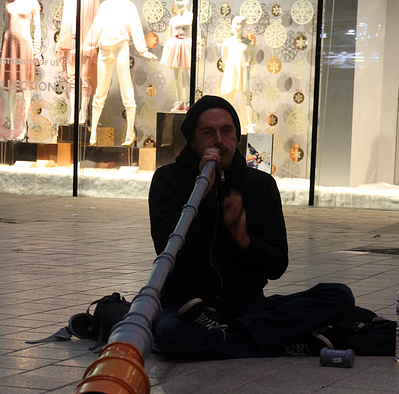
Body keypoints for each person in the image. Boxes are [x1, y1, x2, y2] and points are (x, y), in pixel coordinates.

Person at [148, 95, 356, 360]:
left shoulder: (260, 185)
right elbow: (167, 249)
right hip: (188, 308)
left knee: (339, 296)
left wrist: (245, 240)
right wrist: (201, 194)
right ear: (193, 140)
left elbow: (277, 265)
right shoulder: (169, 180)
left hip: (248, 306)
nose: (219, 140)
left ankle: (233, 334)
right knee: (171, 336)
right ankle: (281, 340)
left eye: (227, 131)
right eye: (207, 132)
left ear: (237, 136)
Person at [83, 0, 157, 146]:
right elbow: (96, 27)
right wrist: (86, 44)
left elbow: (136, 28)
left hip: (121, 46)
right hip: (104, 48)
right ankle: (92, 133)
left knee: (126, 88)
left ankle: (129, 133)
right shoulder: (104, 6)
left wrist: (142, 49)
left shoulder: (128, 5)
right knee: (100, 90)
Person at [57, 0, 100, 125]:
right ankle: (74, 113)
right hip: (70, 38)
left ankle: (83, 113)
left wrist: (92, 42)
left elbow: (97, 19)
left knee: (86, 77)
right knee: (73, 78)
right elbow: (65, 15)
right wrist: (62, 39)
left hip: (86, 40)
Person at [0, 0, 42, 139]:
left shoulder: (33, 4)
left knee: (24, 87)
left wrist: (37, 51)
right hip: (9, 46)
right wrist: (1, 47)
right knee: (10, 88)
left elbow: (37, 28)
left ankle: (21, 127)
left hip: (25, 47)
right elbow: (5, 27)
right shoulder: (9, 3)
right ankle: (11, 126)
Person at [221, 16, 256, 133]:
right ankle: (225, 123)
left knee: (247, 98)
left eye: (240, 24)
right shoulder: (227, 42)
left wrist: (246, 68)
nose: (237, 27)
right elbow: (224, 57)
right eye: (235, 24)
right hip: (231, 71)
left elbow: (253, 60)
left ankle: (251, 125)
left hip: (243, 71)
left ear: (244, 26)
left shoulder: (249, 43)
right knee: (228, 97)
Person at [161, 0, 192, 113]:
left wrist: (197, 52)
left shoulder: (192, 17)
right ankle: (180, 101)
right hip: (175, 48)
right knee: (177, 77)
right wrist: (169, 55)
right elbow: (169, 36)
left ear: (187, 1)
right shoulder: (173, 20)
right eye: (177, 0)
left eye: (182, 0)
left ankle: (189, 102)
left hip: (187, 47)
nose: (179, 3)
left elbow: (198, 35)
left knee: (187, 76)